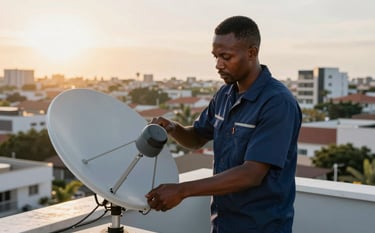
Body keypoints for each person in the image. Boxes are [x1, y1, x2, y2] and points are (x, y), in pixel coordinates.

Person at [146, 15, 302, 233]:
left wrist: (182, 191)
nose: (218, 65)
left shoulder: (277, 103)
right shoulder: (225, 94)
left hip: (261, 227)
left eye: (226, 57)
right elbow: (197, 138)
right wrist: (173, 128)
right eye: (216, 56)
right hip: (222, 223)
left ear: (252, 52)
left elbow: (251, 173)